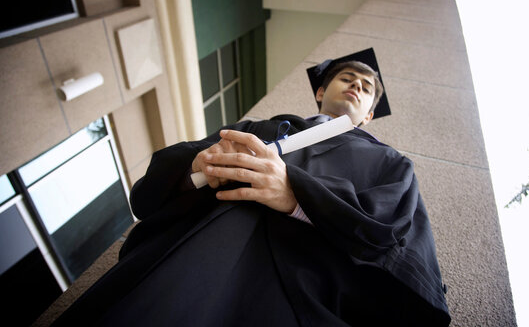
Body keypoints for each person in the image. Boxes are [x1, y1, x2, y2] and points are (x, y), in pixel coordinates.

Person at [53, 48, 451, 326]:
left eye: (366, 88)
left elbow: (391, 243)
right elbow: (155, 190)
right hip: (184, 257)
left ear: (367, 117)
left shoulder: (390, 164)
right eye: (347, 78)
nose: (356, 87)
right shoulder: (257, 128)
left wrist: (297, 196)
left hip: (286, 294)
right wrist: (197, 166)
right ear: (319, 91)